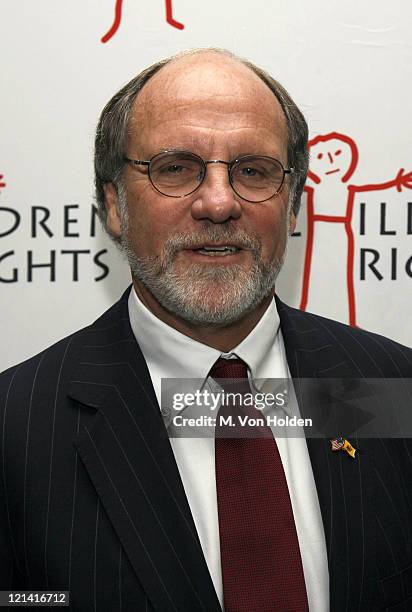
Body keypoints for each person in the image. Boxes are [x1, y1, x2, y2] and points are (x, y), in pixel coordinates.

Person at [1, 48, 411, 612]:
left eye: (252, 171)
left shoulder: (390, 389)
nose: (219, 203)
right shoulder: (14, 427)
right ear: (114, 204)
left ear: (292, 207)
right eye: (175, 168)